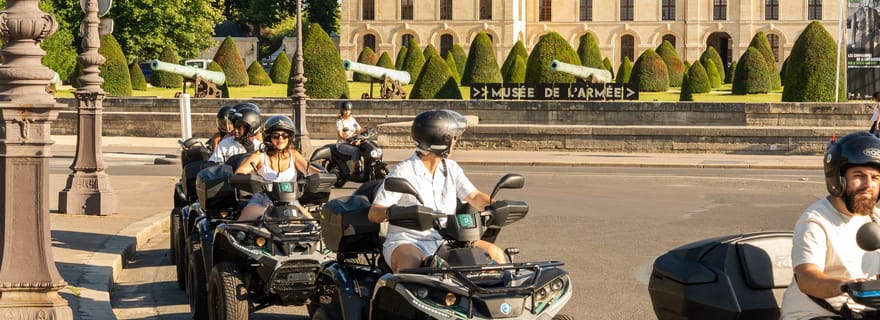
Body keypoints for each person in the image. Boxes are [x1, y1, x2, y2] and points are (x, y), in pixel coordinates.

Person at [367, 109, 507, 273]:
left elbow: (474, 196)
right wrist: (398, 213)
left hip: (446, 241)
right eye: (453, 138)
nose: (456, 141)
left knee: (495, 254)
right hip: (408, 241)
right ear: (442, 140)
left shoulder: (451, 168)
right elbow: (374, 213)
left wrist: (497, 206)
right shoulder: (403, 171)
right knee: (410, 262)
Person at [781, 131, 880, 320]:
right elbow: (807, 277)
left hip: (864, 312)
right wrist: (845, 285)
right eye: (859, 175)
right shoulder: (816, 221)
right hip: (813, 314)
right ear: (838, 179)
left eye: (875, 178)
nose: (868, 184)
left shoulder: (876, 218)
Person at [235, 115, 320, 221]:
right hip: (262, 202)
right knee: (243, 227)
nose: (281, 139)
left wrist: (325, 175)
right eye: (276, 135)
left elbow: (310, 170)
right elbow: (242, 170)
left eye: (285, 135)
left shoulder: (293, 154)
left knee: (313, 226)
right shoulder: (260, 155)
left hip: (290, 201)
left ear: (289, 137)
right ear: (268, 137)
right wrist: (244, 176)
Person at [336, 101, 366, 176]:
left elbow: (358, 129)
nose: (347, 112)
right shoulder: (339, 121)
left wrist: (366, 130)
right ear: (342, 111)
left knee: (364, 147)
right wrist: (344, 137)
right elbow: (340, 135)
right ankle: (352, 171)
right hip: (342, 144)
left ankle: (362, 167)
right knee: (355, 151)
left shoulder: (352, 119)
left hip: (352, 142)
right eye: (345, 110)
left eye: (348, 110)